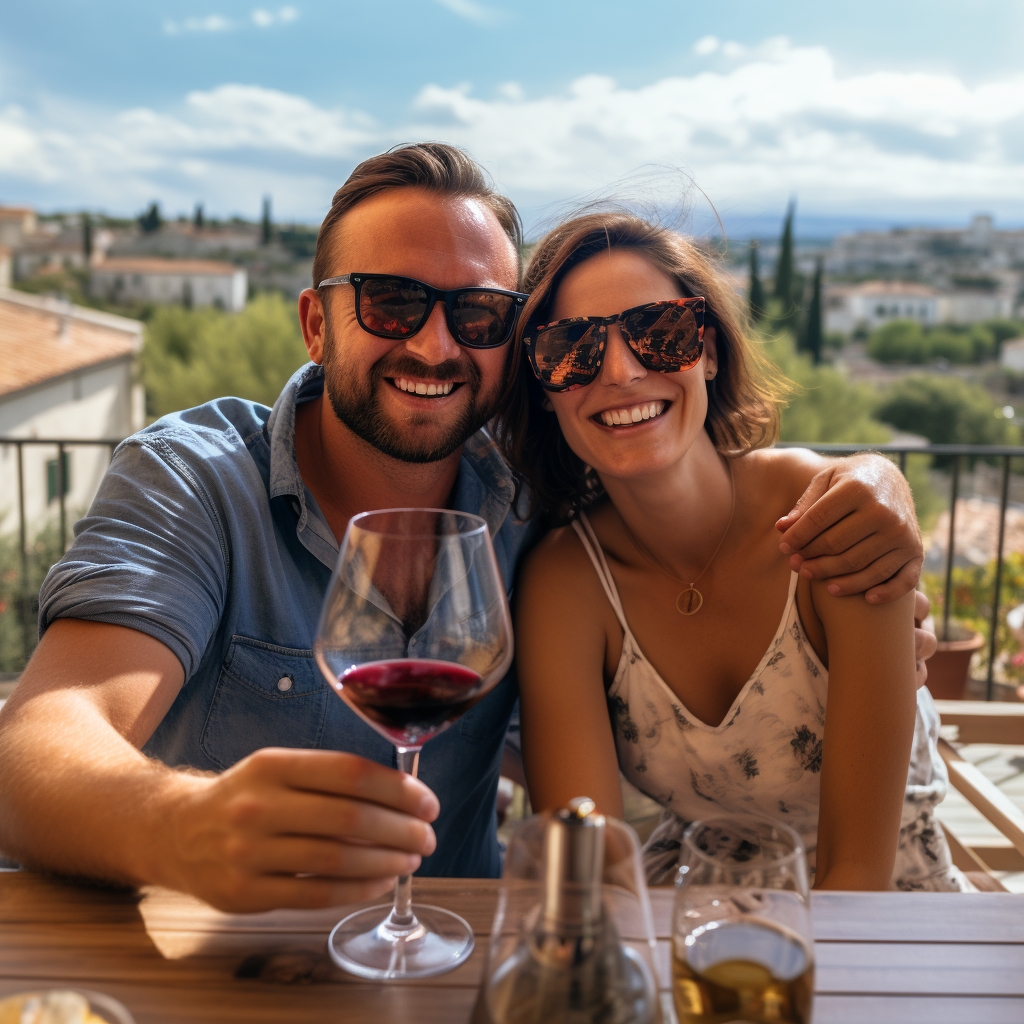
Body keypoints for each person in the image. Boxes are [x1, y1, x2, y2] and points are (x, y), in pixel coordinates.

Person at [0, 144, 932, 912]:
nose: (437, 345)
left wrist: (874, 484)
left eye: (479, 313)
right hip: (211, 957)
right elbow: (39, 743)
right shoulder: (198, 481)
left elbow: (684, 500)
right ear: (315, 324)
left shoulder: (529, 504)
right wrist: (179, 829)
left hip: (454, 948)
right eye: (393, 302)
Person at [501, 210, 964, 891]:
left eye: (660, 333)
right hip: (690, 908)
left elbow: (857, 876)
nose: (623, 371)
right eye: (571, 348)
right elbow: (591, 876)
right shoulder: (564, 581)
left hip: (881, 919)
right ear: (544, 388)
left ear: (708, 351)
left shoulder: (831, 519)